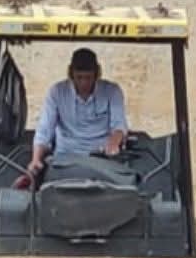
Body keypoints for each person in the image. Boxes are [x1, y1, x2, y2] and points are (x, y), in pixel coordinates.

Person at [16, 47, 127, 188]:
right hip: (64, 160)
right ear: (71, 74)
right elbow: (44, 131)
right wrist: (36, 159)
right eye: (79, 77)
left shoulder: (112, 91)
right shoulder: (57, 92)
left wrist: (113, 143)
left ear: (97, 74)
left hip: (102, 161)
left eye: (88, 78)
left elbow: (119, 126)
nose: (84, 83)